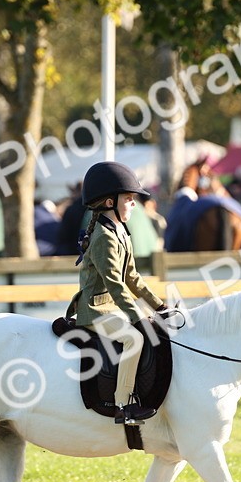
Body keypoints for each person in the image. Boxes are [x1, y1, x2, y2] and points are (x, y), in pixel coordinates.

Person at [67, 161, 168, 426]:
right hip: (95, 310)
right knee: (133, 339)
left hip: (111, 308)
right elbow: (114, 283)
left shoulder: (120, 231)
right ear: (110, 202)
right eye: (130, 199)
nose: (134, 204)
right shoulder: (103, 236)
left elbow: (132, 277)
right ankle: (124, 405)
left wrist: (159, 307)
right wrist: (137, 317)